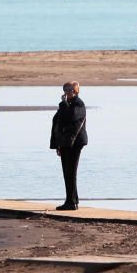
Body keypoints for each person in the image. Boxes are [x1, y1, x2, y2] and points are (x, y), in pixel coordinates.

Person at [50, 81, 88, 211]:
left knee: (70, 172)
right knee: (67, 172)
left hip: (74, 143)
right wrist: (58, 144)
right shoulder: (68, 104)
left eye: (69, 90)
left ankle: (71, 202)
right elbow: (58, 122)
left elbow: (70, 117)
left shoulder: (78, 104)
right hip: (65, 143)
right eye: (65, 89)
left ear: (76, 91)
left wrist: (63, 103)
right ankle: (72, 200)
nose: (66, 92)